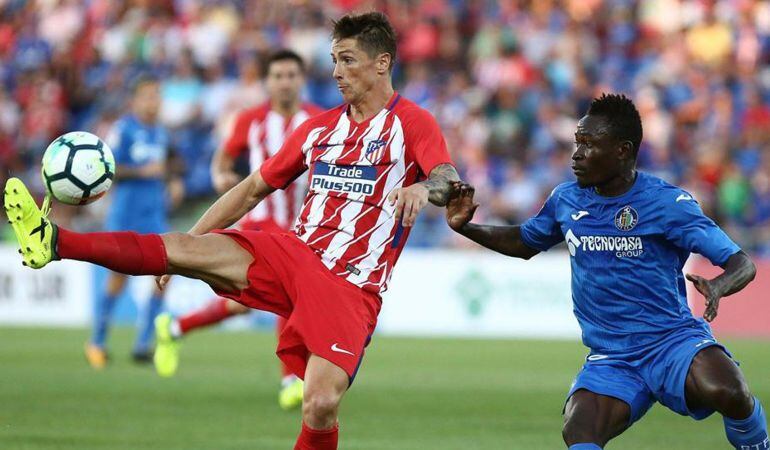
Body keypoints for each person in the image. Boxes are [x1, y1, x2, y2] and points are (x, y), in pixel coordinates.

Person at [5, 12, 459, 450]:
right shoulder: (318, 129)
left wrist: (424, 187)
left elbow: (448, 178)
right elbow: (249, 191)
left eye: (348, 59)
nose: (337, 71)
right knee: (184, 246)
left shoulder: (413, 123)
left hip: (353, 284)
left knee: (319, 404)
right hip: (294, 255)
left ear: (382, 63)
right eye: (335, 59)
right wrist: (198, 238)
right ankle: (54, 241)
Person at [445, 93, 766, 450]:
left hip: (672, 342)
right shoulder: (565, 200)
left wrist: (720, 285)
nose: (576, 155)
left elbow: (742, 263)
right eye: (576, 143)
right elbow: (524, 242)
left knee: (729, 391)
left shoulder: (666, 203)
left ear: (623, 150)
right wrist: (466, 228)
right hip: (612, 356)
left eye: (589, 145)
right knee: (579, 431)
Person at [153, 49, 323, 412]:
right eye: (278, 75)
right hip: (261, 222)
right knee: (291, 291)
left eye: (292, 75)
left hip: (303, 225)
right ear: (267, 81)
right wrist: (220, 175)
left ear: (301, 79)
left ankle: (175, 327)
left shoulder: (319, 121)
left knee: (241, 307)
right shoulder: (251, 120)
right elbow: (224, 157)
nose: (285, 82)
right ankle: (290, 379)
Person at [85, 76, 181, 368]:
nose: (154, 102)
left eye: (157, 96)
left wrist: (174, 179)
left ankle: (143, 343)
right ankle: (97, 341)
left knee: (163, 276)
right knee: (118, 277)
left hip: (154, 214)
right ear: (136, 100)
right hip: (125, 214)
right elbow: (108, 169)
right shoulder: (123, 129)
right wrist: (143, 172)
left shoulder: (162, 133)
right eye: (148, 96)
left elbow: (173, 162)